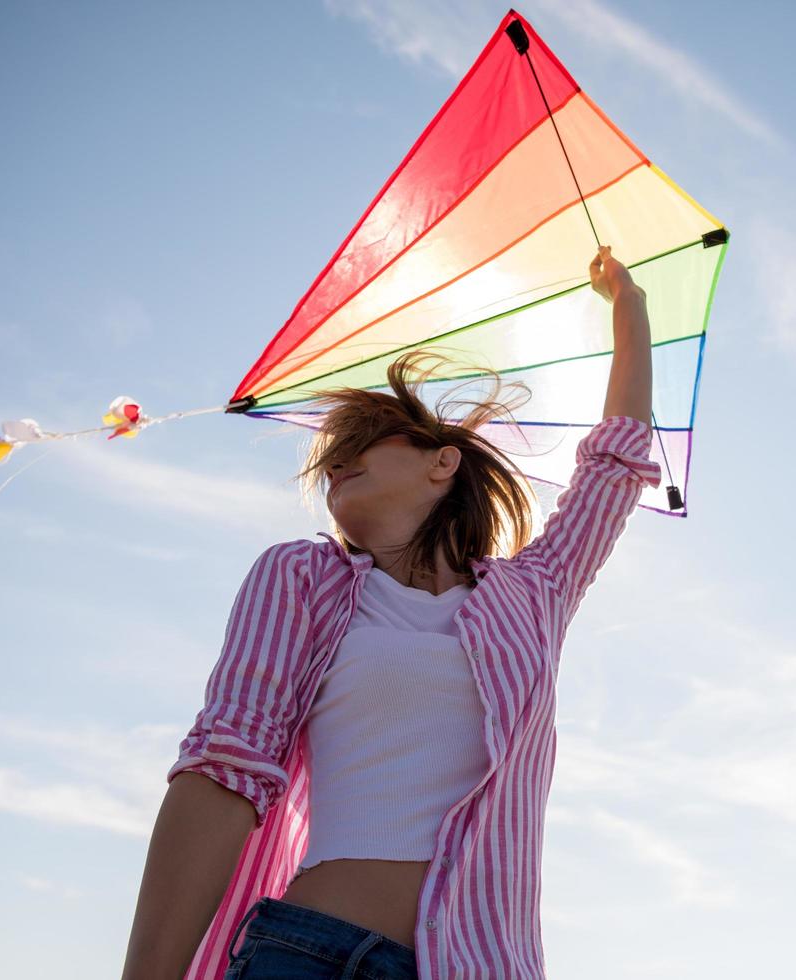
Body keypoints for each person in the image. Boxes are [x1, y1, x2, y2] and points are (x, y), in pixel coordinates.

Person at [121, 246, 660, 980]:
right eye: (330, 457)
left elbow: (614, 467)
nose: (337, 462)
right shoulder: (300, 577)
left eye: (362, 444)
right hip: (305, 953)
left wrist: (630, 307)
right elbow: (224, 770)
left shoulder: (533, 594)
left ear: (443, 463)